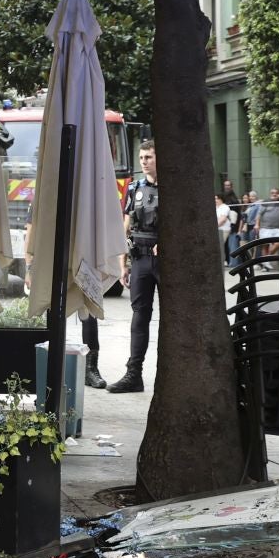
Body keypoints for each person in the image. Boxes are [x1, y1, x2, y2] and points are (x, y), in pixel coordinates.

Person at [108, 139, 160, 393]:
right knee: (140, 317)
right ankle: (133, 374)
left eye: (148, 157)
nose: (144, 162)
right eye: (142, 158)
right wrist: (123, 262)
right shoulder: (135, 188)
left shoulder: (173, 189)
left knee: (171, 320)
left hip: (165, 261)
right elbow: (126, 227)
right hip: (140, 258)